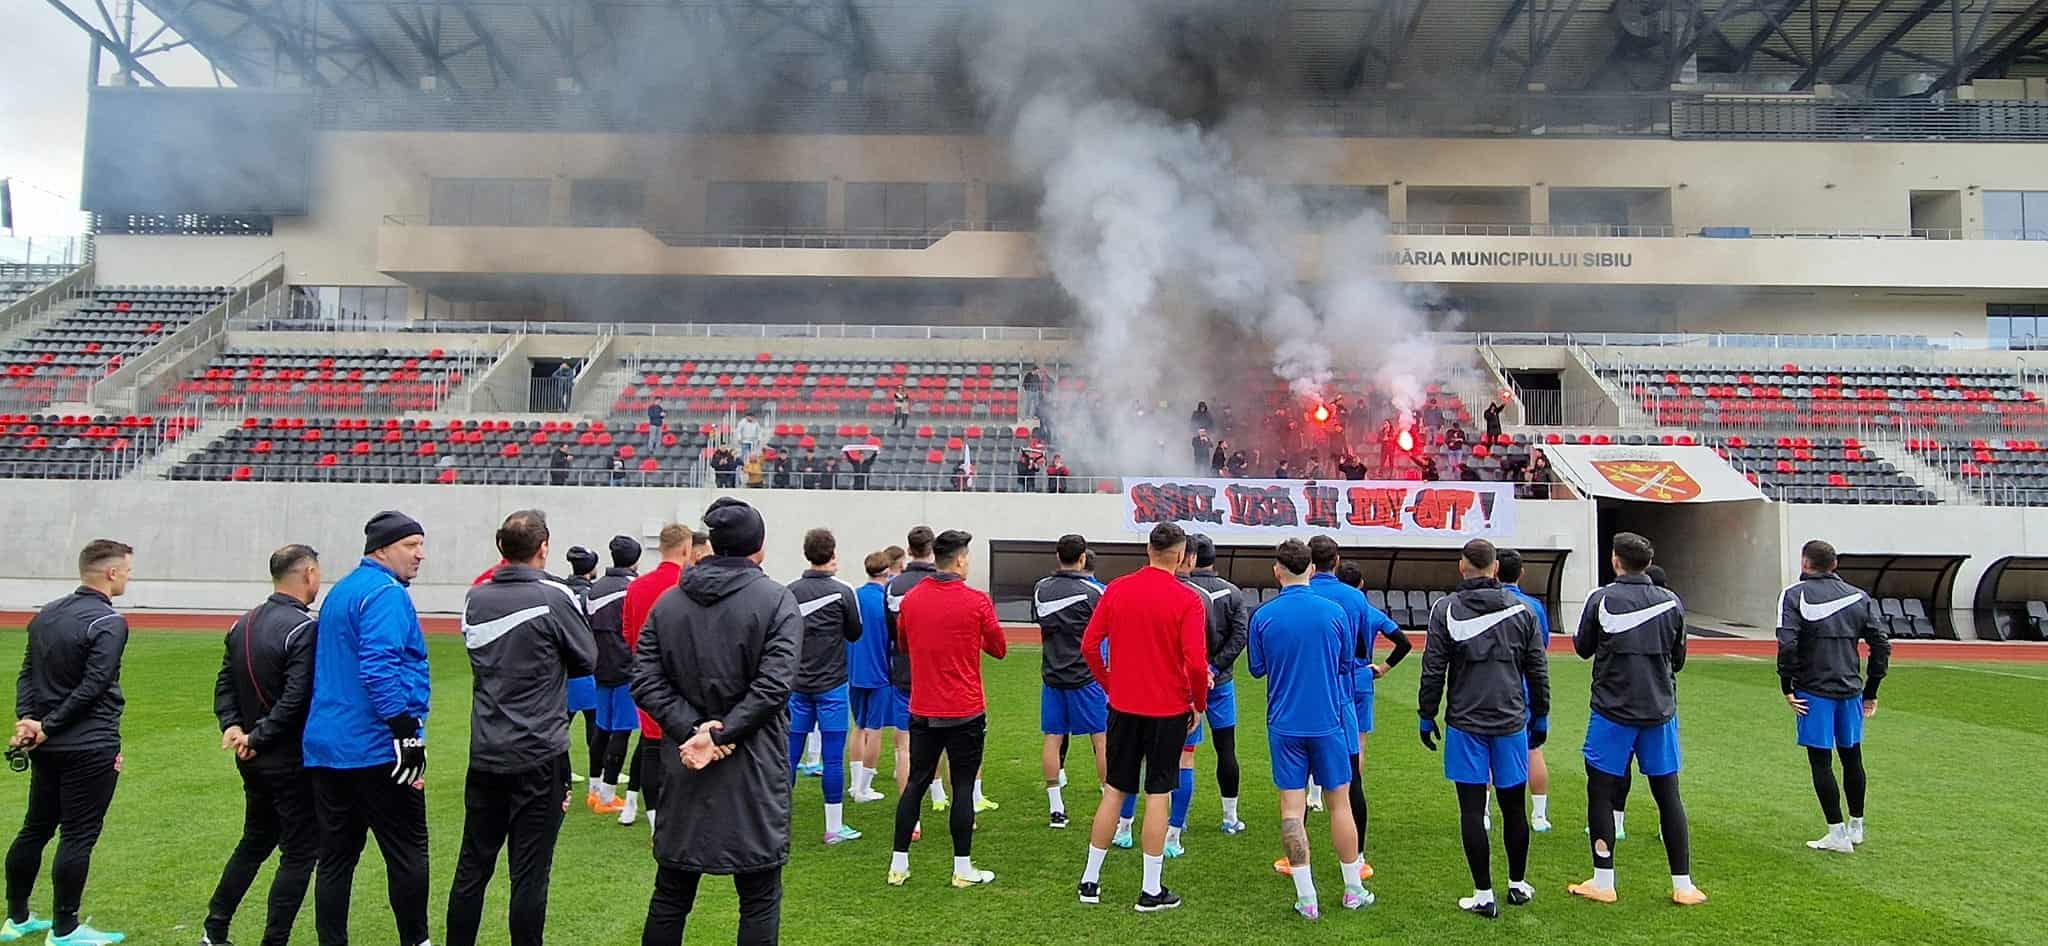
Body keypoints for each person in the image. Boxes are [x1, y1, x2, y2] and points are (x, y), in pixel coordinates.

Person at [632, 499, 800, 945]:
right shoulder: (773, 600)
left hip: (696, 762)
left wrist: (709, 732)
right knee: (757, 897)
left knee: (672, 894)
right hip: (742, 765)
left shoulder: (670, 604)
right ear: (758, 547)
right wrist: (705, 732)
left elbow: (645, 679)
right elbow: (775, 685)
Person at [446, 511, 597, 946]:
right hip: (538, 752)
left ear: (501, 548)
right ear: (544, 546)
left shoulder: (476, 597)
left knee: (472, 866)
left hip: (487, 751)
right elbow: (587, 658)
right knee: (530, 873)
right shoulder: (555, 595)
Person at [303, 511, 431, 946]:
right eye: (411, 545)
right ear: (382, 548)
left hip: (328, 745)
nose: (421, 555)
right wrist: (405, 731)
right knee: (408, 851)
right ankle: (417, 940)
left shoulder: (342, 591)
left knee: (336, 857)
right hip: (377, 746)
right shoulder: (385, 593)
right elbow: (380, 668)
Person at [1074, 523, 1209, 913]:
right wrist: (1197, 703)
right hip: (1167, 710)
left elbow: (1089, 646)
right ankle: (1150, 890)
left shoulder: (1117, 589)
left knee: (1115, 790)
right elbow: (1196, 665)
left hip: (1123, 707)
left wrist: (1110, 684)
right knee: (1158, 794)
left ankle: (1090, 880)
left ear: (1149, 549)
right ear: (1181, 556)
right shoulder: (1187, 601)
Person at [5, 540, 134, 946]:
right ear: (111, 573)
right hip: (88, 743)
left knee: (36, 827)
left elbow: (27, 673)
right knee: (77, 835)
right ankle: (65, 930)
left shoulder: (46, 614)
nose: (129, 576)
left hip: (48, 744)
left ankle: (17, 918)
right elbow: (94, 685)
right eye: (127, 570)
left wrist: (30, 722)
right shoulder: (108, 622)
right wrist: (47, 724)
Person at [1566, 532, 1704, 906]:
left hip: (1612, 711)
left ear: (1615, 560)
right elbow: (1679, 659)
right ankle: (1684, 884)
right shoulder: (1671, 602)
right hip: (1659, 711)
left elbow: (1582, 648)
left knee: (1601, 792)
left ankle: (1603, 881)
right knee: (1668, 795)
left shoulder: (1601, 599)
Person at [1418, 539, 1548, 920]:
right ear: (1495, 568)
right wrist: (1540, 715)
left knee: (1472, 810)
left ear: (1462, 566)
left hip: (1465, 722)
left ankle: (1483, 893)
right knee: (1513, 807)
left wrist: (1427, 713)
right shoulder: (1523, 610)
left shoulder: (1445, 609)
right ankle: (1518, 885)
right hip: (1510, 720)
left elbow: (1433, 667)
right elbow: (1537, 670)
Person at [203, 544, 321, 946]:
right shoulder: (304, 628)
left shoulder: (243, 623)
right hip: (287, 758)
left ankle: (214, 929)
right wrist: (257, 735)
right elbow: (297, 697)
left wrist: (233, 728)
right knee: (300, 852)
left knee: (255, 840)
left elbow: (224, 683)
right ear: (307, 573)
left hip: (250, 756)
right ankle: (274, 940)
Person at [1249, 539, 1371, 919]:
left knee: (1291, 807)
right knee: (1340, 802)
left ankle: (1307, 897)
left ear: (1277, 571)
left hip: (1285, 723)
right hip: (1329, 721)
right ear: (1313, 570)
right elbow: (1344, 663)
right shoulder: (1334, 612)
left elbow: (1257, 668)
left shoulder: (1264, 616)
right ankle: (1353, 888)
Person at [886, 530, 1009, 889]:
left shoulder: (911, 599)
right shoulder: (977, 601)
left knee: (916, 783)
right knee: (964, 784)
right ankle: (962, 868)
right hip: (965, 709)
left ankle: (898, 865)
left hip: (923, 707)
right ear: (958, 560)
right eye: (967, 557)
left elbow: (905, 643)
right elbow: (999, 648)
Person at [1283, 538, 1408, 880]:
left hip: (1307, 693)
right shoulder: (1356, 599)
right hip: (1349, 689)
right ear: (1336, 560)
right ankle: (1358, 857)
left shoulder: (1302, 597)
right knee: (1351, 775)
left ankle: (1297, 854)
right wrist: (1376, 668)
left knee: (1297, 772)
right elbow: (1389, 641)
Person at [1777, 539, 1889, 855]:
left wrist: (1786, 685)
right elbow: (1881, 645)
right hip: (1851, 688)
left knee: (1821, 760)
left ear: (1804, 563)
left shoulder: (1794, 595)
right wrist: (1871, 690)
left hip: (1814, 689)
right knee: (1852, 756)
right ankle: (1856, 826)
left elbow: (1787, 644)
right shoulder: (1859, 596)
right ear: (1834, 564)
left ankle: (1836, 832)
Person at [786, 529, 865, 844]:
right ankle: (833, 828)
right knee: (833, 759)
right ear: (833, 553)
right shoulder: (843, 591)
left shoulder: (788, 591)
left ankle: (777, 826)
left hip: (796, 685)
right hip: (832, 686)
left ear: (806, 552)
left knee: (788, 757)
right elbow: (855, 633)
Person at [618, 524, 693, 831]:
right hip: (683, 681)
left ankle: (654, 822)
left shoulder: (637, 587)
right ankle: (680, 819)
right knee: (684, 746)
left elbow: (626, 632)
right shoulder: (688, 584)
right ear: (687, 549)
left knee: (650, 747)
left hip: (646, 678)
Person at [1034, 534, 1107, 831]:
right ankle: (1109, 801)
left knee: (1053, 738)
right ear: (1082, 559)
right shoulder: (1093, 592)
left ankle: (1056, 810)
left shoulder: (1041, 588)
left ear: (1057, 556)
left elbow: (1042, 624)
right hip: (1086, 678)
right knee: (1101, 740)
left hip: (1052, 675)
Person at [1184, 535, 1250, 837]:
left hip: (1185, 683)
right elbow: (1240, 637)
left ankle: (1178, 820)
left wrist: (1202, 668)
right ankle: (1230, 817)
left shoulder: (1181, 589)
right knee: (1226, 749)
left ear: (1191, 558)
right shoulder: (1233, 592)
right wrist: (1215, 667)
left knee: (1183, 752)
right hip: (1221, 683)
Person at [1496, 550, 1556, 833]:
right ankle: (1539, 815)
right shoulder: (1533, 606)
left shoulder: (1486, 603)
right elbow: (1541, 646)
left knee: (1484, 749)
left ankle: (1483, 813)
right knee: (1534, 750)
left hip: (1493, 687)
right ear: (1521, 573)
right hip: (1526, 685)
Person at [584, 536, 641, 815]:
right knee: (621, 730)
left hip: (600, 667)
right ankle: (607, 794)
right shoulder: (632, 588)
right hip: (625, 668)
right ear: (635, 560)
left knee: (602, 729)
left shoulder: (594, 589)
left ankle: (595, 789)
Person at [847, 551, 897, 805]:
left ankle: (855, 784)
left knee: (858, 727)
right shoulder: (886, 602)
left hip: (855, 671)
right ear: (887, 571)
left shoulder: (854, 596)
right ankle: (863, 789)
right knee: (874, 730)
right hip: (879, 673)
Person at [562, 546, 604, 785]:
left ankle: (563, 768)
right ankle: (599, 770)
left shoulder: (563, 590)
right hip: (586, 664)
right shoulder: (592, 594)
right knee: (594, 720)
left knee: (562, 719)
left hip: (564, 665)